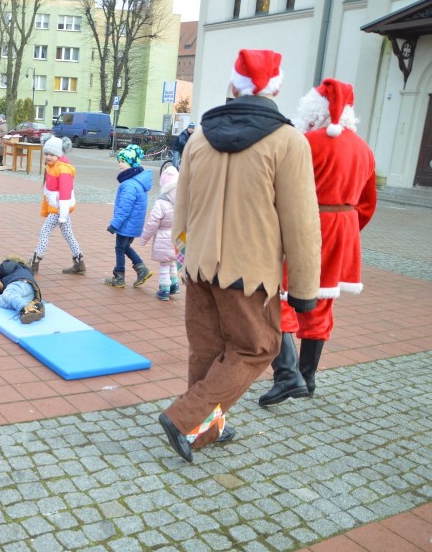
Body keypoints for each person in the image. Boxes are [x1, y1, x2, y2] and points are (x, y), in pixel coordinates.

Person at [157, 49, 321, 463]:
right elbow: (301, 223)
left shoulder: (199, 136)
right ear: (276, 88)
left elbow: (183, 206)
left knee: (208, 350)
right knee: (256, 347)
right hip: (251, 271)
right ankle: (185, 419)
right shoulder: (288, 141)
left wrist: (183, 254)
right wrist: (304, 290)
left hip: (199, 262)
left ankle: (204, 430)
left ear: (234, 86)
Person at [258, 78, 377, 407]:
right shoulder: (364, 149)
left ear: (315, 107)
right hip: (344, 229)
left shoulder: (304, 141)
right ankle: (308, 377)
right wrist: (348, 229)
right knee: (322, 302)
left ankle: (288, 375)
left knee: (278, 297)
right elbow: (367, 204)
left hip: (305, 226)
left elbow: (280, 191)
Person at [28, 136, 86, 275]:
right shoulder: (52, 166)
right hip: (58, 207)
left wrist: (63, 215)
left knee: (44, 231)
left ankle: (35, 261)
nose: (48, 157)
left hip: (60, 209)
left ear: (59, 154)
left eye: (52, 154)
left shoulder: (63, 169)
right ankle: (79, 262)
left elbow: (65, 194)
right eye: (46, 153)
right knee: (68, 234)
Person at [105, 144, 153, 288]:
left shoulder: (129, 185)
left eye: (123, 161)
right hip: (133, 224)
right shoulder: (139, 181)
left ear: (132, 164)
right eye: (119, 161)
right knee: (125, 247)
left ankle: (120, 277)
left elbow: (124, 208)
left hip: (126, 223)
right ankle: (141, 269)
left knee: (120, 248)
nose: (120, 164)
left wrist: (115, 224)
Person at [140, 164, 181, 300]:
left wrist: (144, 238)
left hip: (163, 237)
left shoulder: (160, 203)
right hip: (178, 237)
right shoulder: (183, 201)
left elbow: (152, 223)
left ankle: (164, 290)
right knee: (173, 260)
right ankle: (175, 284)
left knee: (164, 264)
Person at [0, 255, 45, 324]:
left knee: (10, 293)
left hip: (19, 283)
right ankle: (35, 307)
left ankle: (25, 309)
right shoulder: (26, 270)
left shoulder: (12, 263)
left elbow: (3, 269)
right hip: (31, 291)